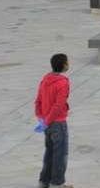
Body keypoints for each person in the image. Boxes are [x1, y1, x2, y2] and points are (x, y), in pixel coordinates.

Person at [35, 53, 72, 188]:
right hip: (58, 123)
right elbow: (59, 105)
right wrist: (48, 120)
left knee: (49, 152)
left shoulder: (45, 80)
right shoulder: (63, 82)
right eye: (67, 62)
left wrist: (41, 119)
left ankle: (44, 181)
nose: (68, 64)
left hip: (46, 123)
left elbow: (38, 101)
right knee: (60, 154)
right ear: (63, 65)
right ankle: (57, 183)